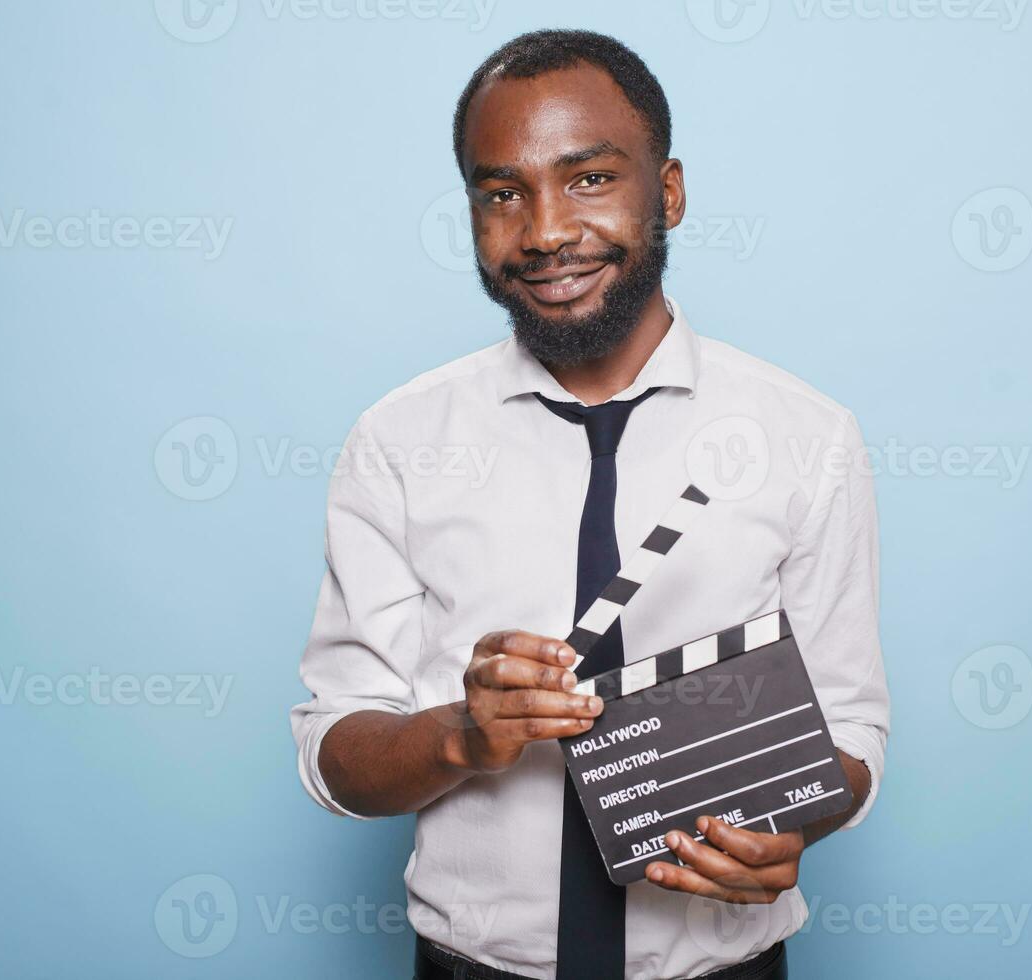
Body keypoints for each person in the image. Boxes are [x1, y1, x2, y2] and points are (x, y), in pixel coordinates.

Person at [289, 28, 890, 980]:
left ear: (671, 192)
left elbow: (849, 729)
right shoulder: (397, 441)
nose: (544, 232)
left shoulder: (806, 436)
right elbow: (335, 754)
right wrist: (461, 733)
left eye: (590, 179)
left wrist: (797, 827)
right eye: (501, 193)